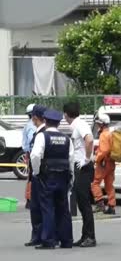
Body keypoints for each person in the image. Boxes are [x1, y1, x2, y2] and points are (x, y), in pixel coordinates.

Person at [30, 109, 74, 250]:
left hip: (47, 176)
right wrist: (71, 176)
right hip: (63, 176)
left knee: (47, 207)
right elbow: (71, 159)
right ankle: (66, 240)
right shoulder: (67, 139)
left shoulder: (42, 137)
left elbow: (35, 156)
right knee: (63, 208)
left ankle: (49, 240)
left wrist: (36, 172)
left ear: (45, 121)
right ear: (59, 123)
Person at [63, 102, 96, 247]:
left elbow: (89, 140)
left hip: (83, 167)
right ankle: (85, 235)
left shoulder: (80, 124)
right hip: (79, 166)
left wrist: (86, 159)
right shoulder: (77, 125)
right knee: (82, 204)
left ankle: (90, 237)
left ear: (66, 114)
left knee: (84, 203)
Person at [24, 105, 47, 247]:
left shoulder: (43, 133)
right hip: (35, 174)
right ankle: (36, 235)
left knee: (41, 207)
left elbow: (37, 156)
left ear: (35, 117)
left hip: (40, 175)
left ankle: (42, 236)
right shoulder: (38, 132)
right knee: (35, 207)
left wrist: (36, 173)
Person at [91, 114, 116, 215]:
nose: (97, 125)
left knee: (95, 183)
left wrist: (96, 158)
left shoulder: (103, 135)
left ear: (101, 124)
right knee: (109, 185)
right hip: (111, 162)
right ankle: (111, 206)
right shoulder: (111, 133)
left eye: (98, 123)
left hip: (103, 163)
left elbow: (105, 150)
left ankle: (99, 203)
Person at [23, 104, 37, 209]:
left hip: (29, 153)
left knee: (31, 177)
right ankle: (30, 199)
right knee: (33, 176)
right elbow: (31, 142)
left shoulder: (28, 125)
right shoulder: (32, 126)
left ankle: (29, 199)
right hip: (33, 153)